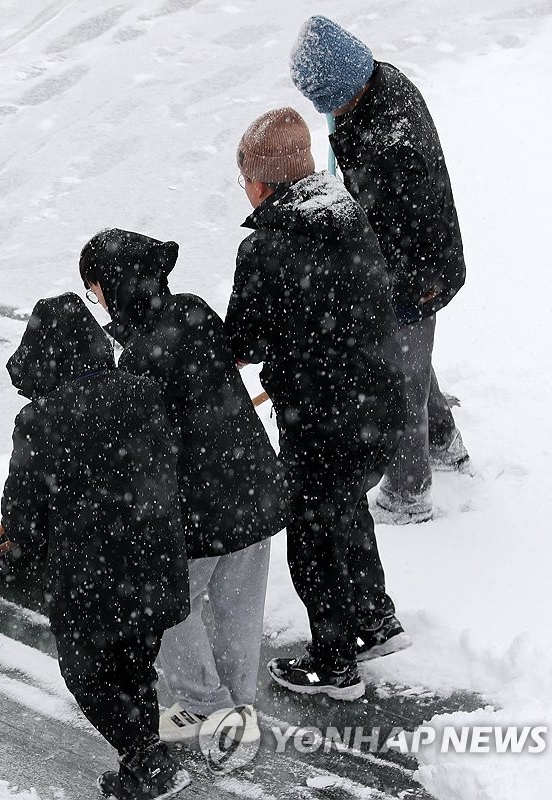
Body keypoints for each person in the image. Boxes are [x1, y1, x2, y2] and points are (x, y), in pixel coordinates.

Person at [225, 107, 409, 699]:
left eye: (244, 177)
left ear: (264, 180)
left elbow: (243, 342)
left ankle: (333, 667)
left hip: (322, 419)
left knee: (312, 535)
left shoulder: (267, 250)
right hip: (380, 406)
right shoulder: (348, 215)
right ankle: (374, 621)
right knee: (347, 508)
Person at [80, 229, 286, 750]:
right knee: (240, 603)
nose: (96, 300)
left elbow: (145, 453)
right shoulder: (191, 310)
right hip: (253, 488)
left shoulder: (140, 362)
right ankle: (238, 704)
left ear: (113, 285)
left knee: (166, 604)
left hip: (203, 509)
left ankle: (203, 705)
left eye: (95, 289)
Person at [1, 293, 192, 799]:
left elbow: (21, 517)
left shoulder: (42, 420)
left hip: (90, 577)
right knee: (135, 667)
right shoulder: (144, 393)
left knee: (86, 673)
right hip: (154, 560)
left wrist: (37, 551)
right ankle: (143, 759)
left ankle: (149, 760)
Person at [290, 15, 471, 525]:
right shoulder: (377, 81)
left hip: (414, 274)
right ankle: (445, 444)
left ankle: (408, 495)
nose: (322, 113)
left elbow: (371, 233)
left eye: (324, 101)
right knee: (414, 363)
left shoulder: (384, 144)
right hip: (426, 261)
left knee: (397, 383)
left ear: (341, 88)